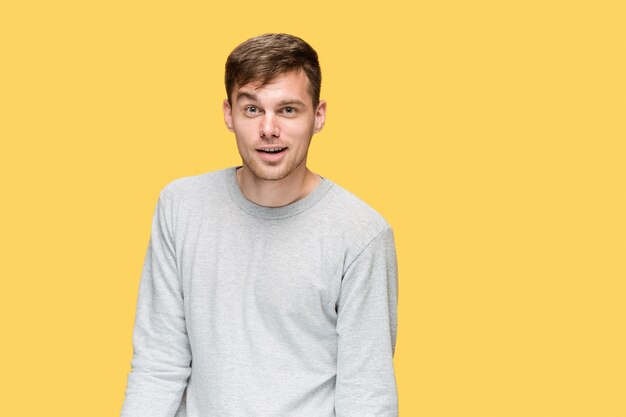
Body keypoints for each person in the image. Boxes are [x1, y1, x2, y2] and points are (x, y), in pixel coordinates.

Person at [121, 33, 399, 417]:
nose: (269, 129)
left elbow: (367, 397)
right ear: (228, 114)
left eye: (288, 110)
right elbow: (158, 364)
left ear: (318, 116)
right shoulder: (181, 207)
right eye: (252, 110)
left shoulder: (361, 234)